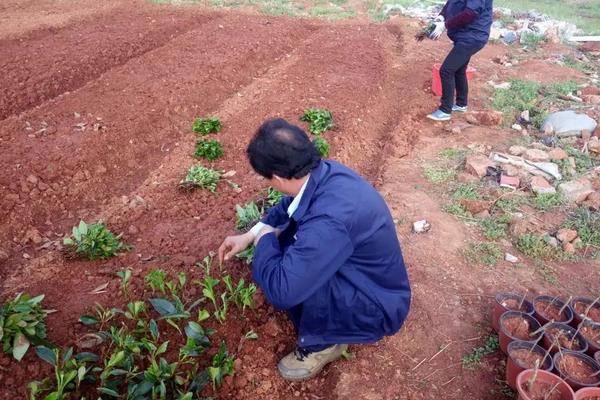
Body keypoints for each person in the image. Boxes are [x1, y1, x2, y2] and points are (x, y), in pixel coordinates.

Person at [218, 118, 411, 381]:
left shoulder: (330, 220)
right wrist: (251, 234)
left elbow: (282, 291)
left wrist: (264, 239)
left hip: (376, 305)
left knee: (297, 277)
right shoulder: (325, 172)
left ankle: (323, 344)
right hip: (369, 277)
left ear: (276, 177)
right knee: (293, 245)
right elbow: (291, 205)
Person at [426, 0, 493, 121]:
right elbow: (451, 3)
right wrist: (441, 16)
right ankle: (461, 104)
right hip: (464, 35)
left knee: (446, 70)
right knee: (459, 69)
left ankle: (445, 110)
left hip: (473, 36)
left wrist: (446, 25)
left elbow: (470, 13)